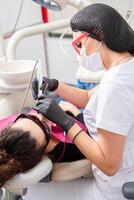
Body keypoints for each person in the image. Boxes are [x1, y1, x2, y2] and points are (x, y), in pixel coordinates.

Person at [32, 3, 134, 199]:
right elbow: (89, 97)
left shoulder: (115, 87)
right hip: (125, 174)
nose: (78, 53)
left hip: (113, 190)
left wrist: (66, 122)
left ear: (98, 38)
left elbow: (109, 164)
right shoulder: (126, 67)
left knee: (34, 192)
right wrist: (54, 85)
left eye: (79, 44)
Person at [0, 101, 89, 187]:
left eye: (30, 117)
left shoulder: (12, 130)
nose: (40, 115)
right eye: (43, 126)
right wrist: (73, 110)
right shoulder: (69, 148)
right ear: (44, 150)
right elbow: (93, 138)